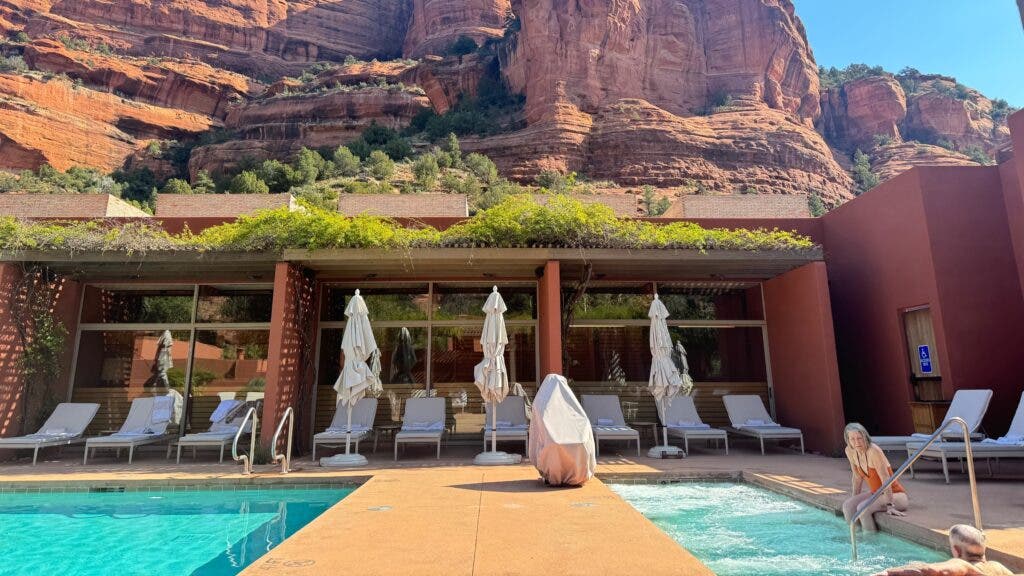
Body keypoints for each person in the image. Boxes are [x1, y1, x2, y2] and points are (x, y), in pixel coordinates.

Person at [842, 422, 909, 532]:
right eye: (852, 439)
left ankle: (870, 543)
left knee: (862, 509)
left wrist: (890, 505)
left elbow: (885, 479)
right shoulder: (849, 450)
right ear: (848, 440)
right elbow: (857, 477)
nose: (857, 442)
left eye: (860, 438)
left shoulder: (874, 451)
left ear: (865, 437)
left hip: (896, 495)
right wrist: (854, 499)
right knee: (848, 506)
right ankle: (856, 539)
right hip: (875, 494)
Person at [872, 524, 1014, 576]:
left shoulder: (961, 564)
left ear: (957, 551)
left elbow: (931, 570)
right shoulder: (998, 568)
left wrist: (886, 573)